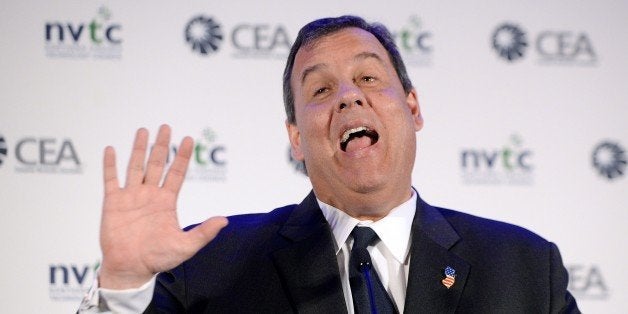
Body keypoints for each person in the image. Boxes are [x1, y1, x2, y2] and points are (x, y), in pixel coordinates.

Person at [79, 16, 579, 313]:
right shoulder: (208, 269)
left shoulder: (527, 270)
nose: (347, 98)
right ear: (296, 138)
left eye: (367, 78)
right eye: (320, 90)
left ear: (413, 107)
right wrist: (121, 286)